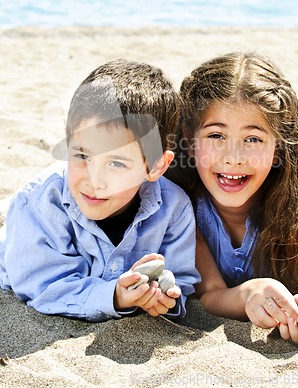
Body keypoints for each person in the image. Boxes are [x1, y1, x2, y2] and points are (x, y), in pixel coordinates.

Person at [0, 60, 200, 322]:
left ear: (156, 166)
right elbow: (44, 286)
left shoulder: (174, 208)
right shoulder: (38, 203)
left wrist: (164, 298)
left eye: (116, 163)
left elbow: (181, 278)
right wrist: (113, 297)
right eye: (83, 155)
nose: (95, 180)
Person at [168, 50, 298, 343]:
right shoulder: (182, 208)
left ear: (279, 147)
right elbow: (210, 294)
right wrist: (249, 294)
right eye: (216, 136)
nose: (233, 158)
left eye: (253, 139)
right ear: (189, 141)